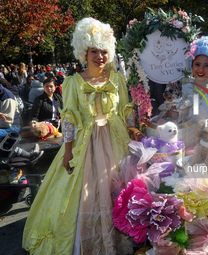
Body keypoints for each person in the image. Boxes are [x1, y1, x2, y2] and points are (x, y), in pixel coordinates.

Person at [23, 17, 134, 254]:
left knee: (115, 189)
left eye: (104, 51)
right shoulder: (73, 81)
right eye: (94, 51)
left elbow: (125, 111)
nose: (99, 57)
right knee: (84, 193)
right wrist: (69, 151)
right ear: (84, 52)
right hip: (85, 144)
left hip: (115, 141)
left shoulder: (116, 79)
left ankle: (117, 239)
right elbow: (70, 119)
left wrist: (133, 134)